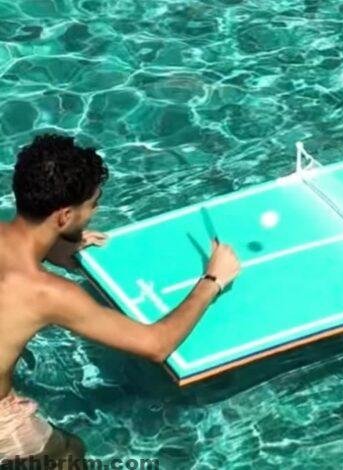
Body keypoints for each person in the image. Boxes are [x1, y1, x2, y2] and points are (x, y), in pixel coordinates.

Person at [0, 134, 241, 465]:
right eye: (92, 205)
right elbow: (155, 345)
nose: (94, 212)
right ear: (64, 216)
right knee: (67, 454)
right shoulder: (47, 293)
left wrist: (54, 247)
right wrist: (212, 280)